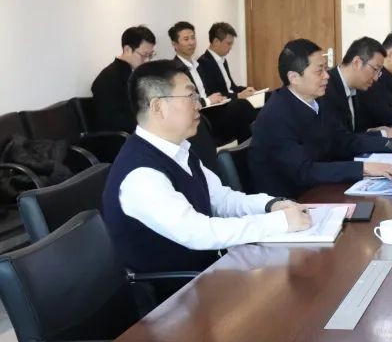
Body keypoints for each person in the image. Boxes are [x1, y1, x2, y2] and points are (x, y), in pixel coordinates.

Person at [100, 60, 312, 273]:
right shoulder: (141, 175)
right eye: (190, 96)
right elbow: (198, 232)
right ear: (158, 107)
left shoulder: (180, 150)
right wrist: (278, 222)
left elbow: (222, 200)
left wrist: (271, 205)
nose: (199, 105)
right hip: (179, 287)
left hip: (209, 270)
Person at [249, 39, 392, 199]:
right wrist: (363, 168)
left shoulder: (317, 101)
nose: (327, 76)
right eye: (319, 71)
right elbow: (304, 171)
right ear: (294, 77)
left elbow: (344, 141)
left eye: (326, 69)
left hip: (319, 189)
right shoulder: (276, 116)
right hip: (291, 200)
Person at [168, 21, 258, 144]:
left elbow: (212, 92)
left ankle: (249, 147)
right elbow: (185, 101)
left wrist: (219, 99)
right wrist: (209, 101)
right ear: (175, 44)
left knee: (245, 110)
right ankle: (253, 147)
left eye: (193, 38)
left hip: (212, 110)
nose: (191, 42)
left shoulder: (198, 66)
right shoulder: (175, 70)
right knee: (241, 107)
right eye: (186, 39)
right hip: (200, 115)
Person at [323, 37, 392, 139]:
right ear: (357, 62)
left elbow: (354, 132)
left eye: (379, 72)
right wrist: (385, 134)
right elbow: (342, 141)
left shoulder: (357, 88)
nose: (375, 78)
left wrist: (374, 131)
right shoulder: (326, 89)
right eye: (375, 69)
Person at [91, 25, 156, 132]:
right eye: (144, 55)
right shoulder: (109, 78)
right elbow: (113, 121)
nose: (147, 60)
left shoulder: (135, 73)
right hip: (122, 136)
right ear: (127, 49)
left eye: (150, 55)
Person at [197, 22, 257, 100]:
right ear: (216, 42)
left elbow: (232, 88)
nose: (231, 48)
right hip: (223, 105)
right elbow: (214, 94)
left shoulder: (222, 60)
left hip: (232, 101)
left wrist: (248, 90)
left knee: (265, 96)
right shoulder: (203, 63)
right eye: (229, 44)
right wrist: (238, 96)